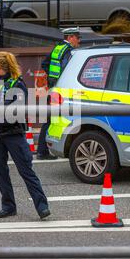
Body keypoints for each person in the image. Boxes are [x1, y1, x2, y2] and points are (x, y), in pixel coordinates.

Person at [0, 51, 51, 220]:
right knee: (0, 172)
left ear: (1, 66)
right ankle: (8, 206)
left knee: (26, 171)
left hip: (13, 133)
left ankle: (42, 206)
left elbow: (13, 111)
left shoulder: (18, 84)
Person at [37, 27, 81, 160]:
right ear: (70, 37)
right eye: (77, 38)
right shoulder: (69, 51)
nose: (79, 41)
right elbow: (68, 69)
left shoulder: (57, 48)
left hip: (53, 88)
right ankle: (43, 151)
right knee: (53, 119)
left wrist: (52, 78)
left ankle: (42, 150)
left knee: (49, 119)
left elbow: (44, 64)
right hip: (62, 90)